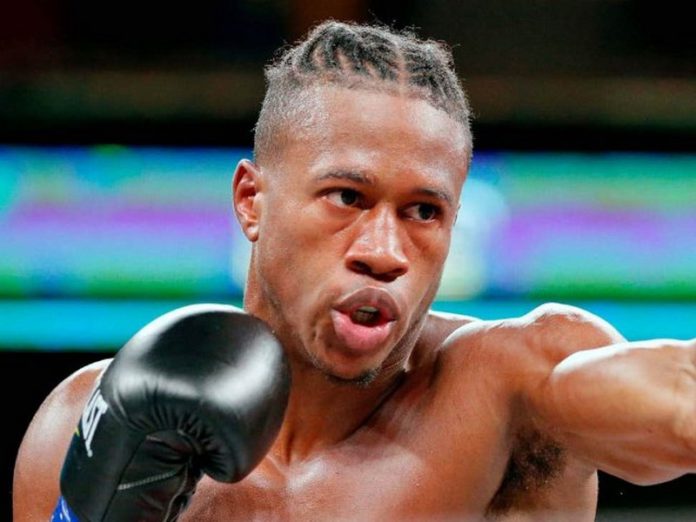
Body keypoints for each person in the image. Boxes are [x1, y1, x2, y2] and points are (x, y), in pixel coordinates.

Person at [13, 20, 696, 521]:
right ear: (252, 200)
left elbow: (672, 402)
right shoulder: (87, 422)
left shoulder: (511, 391)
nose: (385, 250)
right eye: (348, 197)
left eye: (423, 211)